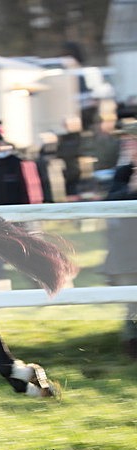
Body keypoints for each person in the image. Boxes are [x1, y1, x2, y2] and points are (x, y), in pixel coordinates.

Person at [101, 121, 137, 358]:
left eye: (132, 140)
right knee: (132, 305)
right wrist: (132, 189)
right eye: (126, 141)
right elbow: (110, 203)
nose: (128, 145)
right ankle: (131, 347)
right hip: (127, 253)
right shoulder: (123, 173)